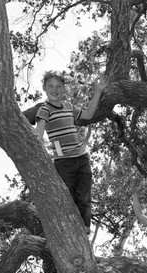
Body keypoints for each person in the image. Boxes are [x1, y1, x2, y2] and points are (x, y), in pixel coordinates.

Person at [34, 70, 107, 232]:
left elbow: (88, 115)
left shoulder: (68, 106)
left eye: (59, 86)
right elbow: (39, 131)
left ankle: (85, 227)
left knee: (84, 197)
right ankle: (64, 228)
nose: (55, 90)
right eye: (50, 86)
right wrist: (38, 151)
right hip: (63, 162)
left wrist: (98, 92)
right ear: (44, 88)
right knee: (65, 197)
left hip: (82, 158)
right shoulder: (44, 110)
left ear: (64, 89)